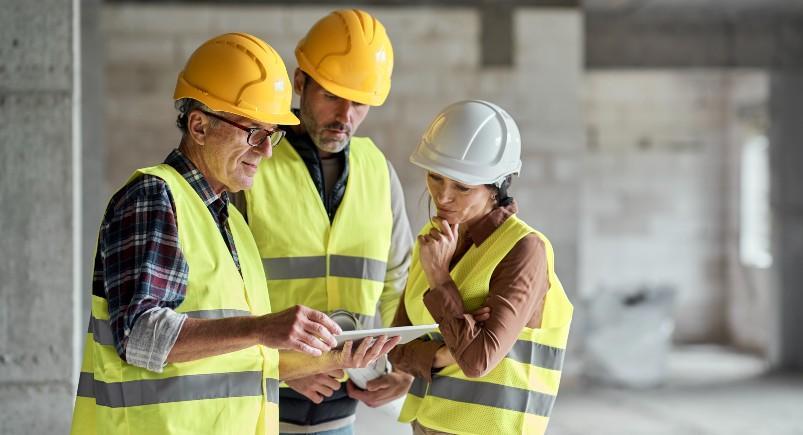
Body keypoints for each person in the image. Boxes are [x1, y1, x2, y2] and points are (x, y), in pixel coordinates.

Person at [69, 32, 398, 435]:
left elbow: (239, 360)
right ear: (200, 126)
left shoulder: (231, 223)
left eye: (271, 135)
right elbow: (140, 336)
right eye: (254, 133)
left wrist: (340, 359)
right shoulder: (154, 198)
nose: (267, 151)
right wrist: (262, 328)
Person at [235, 9, 414, 435]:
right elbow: (219, 294)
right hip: (259, 406)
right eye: (332, 96)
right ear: (300, 83)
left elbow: (399, 284)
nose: (345, 116)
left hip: (341, 413)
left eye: (359, 103)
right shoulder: (251, 166)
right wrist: (280, 367)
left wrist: (404, 367)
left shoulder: (378, 171)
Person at [386, 100, 574, 435]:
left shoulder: (524, 250)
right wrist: (445, 355)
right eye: (435, 177)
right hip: (426, 426)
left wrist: (439, 279)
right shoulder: (431, 243)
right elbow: (397, 350)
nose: (443, 197)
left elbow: (476, 361)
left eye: (462, 186)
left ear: (496, 187)